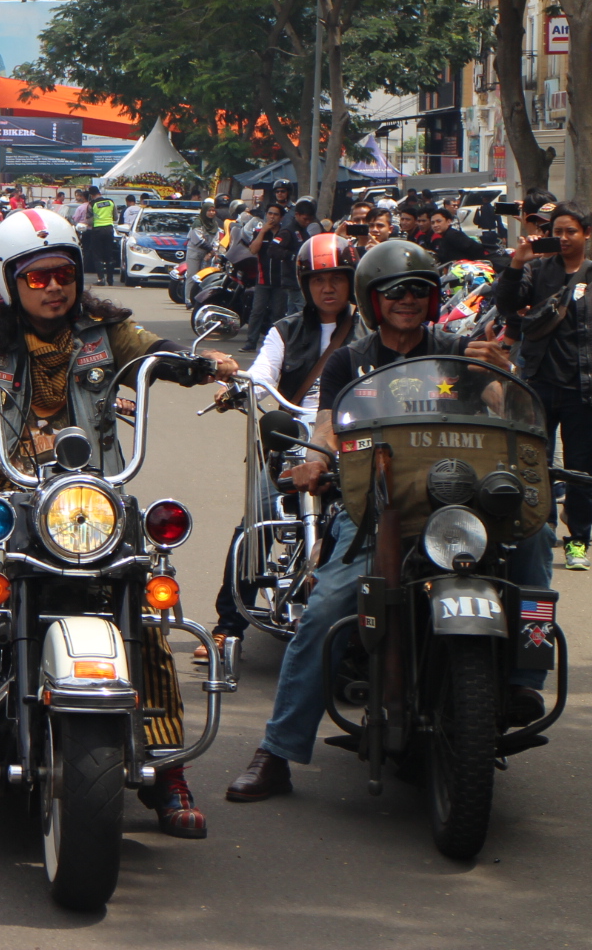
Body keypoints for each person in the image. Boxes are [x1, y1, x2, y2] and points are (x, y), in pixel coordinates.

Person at [0, 208, 235, 837]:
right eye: (38, 277)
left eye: (64, 274)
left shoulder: (108, 332)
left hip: (90, 495)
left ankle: (168, 767)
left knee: (142, 589)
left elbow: (153, 352)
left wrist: (193, 363)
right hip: (1, 483)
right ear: (10, 282)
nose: (54, 287)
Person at [223, 240, 555, 803]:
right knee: (325, 608)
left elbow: (500, 415)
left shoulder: (457, 351)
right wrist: (316, 460)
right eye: (394, 291)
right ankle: (277, 751)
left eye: (419, 291)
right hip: (377, 509)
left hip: (460, 506)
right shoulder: (350, 361)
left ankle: (525, 681)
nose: (407, 299)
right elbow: (329, 423)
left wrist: (499, 372)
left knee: (536, 535)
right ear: (372, 300)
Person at [198, 232, 366, 664]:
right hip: (295, 438)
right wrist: (240, 389)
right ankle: (227, 626)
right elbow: (262, 374)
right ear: (305, 284)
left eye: (336, 278)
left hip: (356, 440)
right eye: (318, 280)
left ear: (351, 281)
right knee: (257, 517)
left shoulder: (371, 329)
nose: (327, 288)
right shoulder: (285, 329)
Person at [494, 202, 592, 572]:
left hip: (583, 391)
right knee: (533, 465)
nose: (563, 238)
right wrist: (517, 263)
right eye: (557, 231)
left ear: (587, 233)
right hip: (538, 385)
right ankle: (540, 531)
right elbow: (506, 304)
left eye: (571, 231)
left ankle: (578, 540)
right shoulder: (537, 271)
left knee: (580, 471)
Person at [241, 202, 300, 354]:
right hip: (263, 279)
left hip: (280, 281)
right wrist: (263, 232)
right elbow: (253, 250)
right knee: (257, 311)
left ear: (281, 218)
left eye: (276, 214)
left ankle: (275, 345)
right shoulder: (260, 232)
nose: (272, 217)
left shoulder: (285, 233)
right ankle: (251, 342)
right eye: (270, 214)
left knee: (278, 313)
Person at [185, 200, 222, 302]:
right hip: (195, 252)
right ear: (204, 211)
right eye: (209, 210)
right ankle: (188, 300)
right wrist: (211, 250)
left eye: (213, 210)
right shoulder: (198, 223)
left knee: (205, 277)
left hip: (208, 254)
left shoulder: (214, 224)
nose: (211, 213)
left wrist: (212, 252)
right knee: (192, 276)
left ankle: (200, 300)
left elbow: (216, 240)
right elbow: (198, 240)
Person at [86, 186, 119, 285]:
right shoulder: (110, 202)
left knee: (97, 255)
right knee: (109, 254)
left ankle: (101, 279)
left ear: (91, 195)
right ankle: (110, 280)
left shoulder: (92, 204)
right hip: (109, 230)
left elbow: (89, 221)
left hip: (97, 230)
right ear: (99, 192)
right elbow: (115, 217)